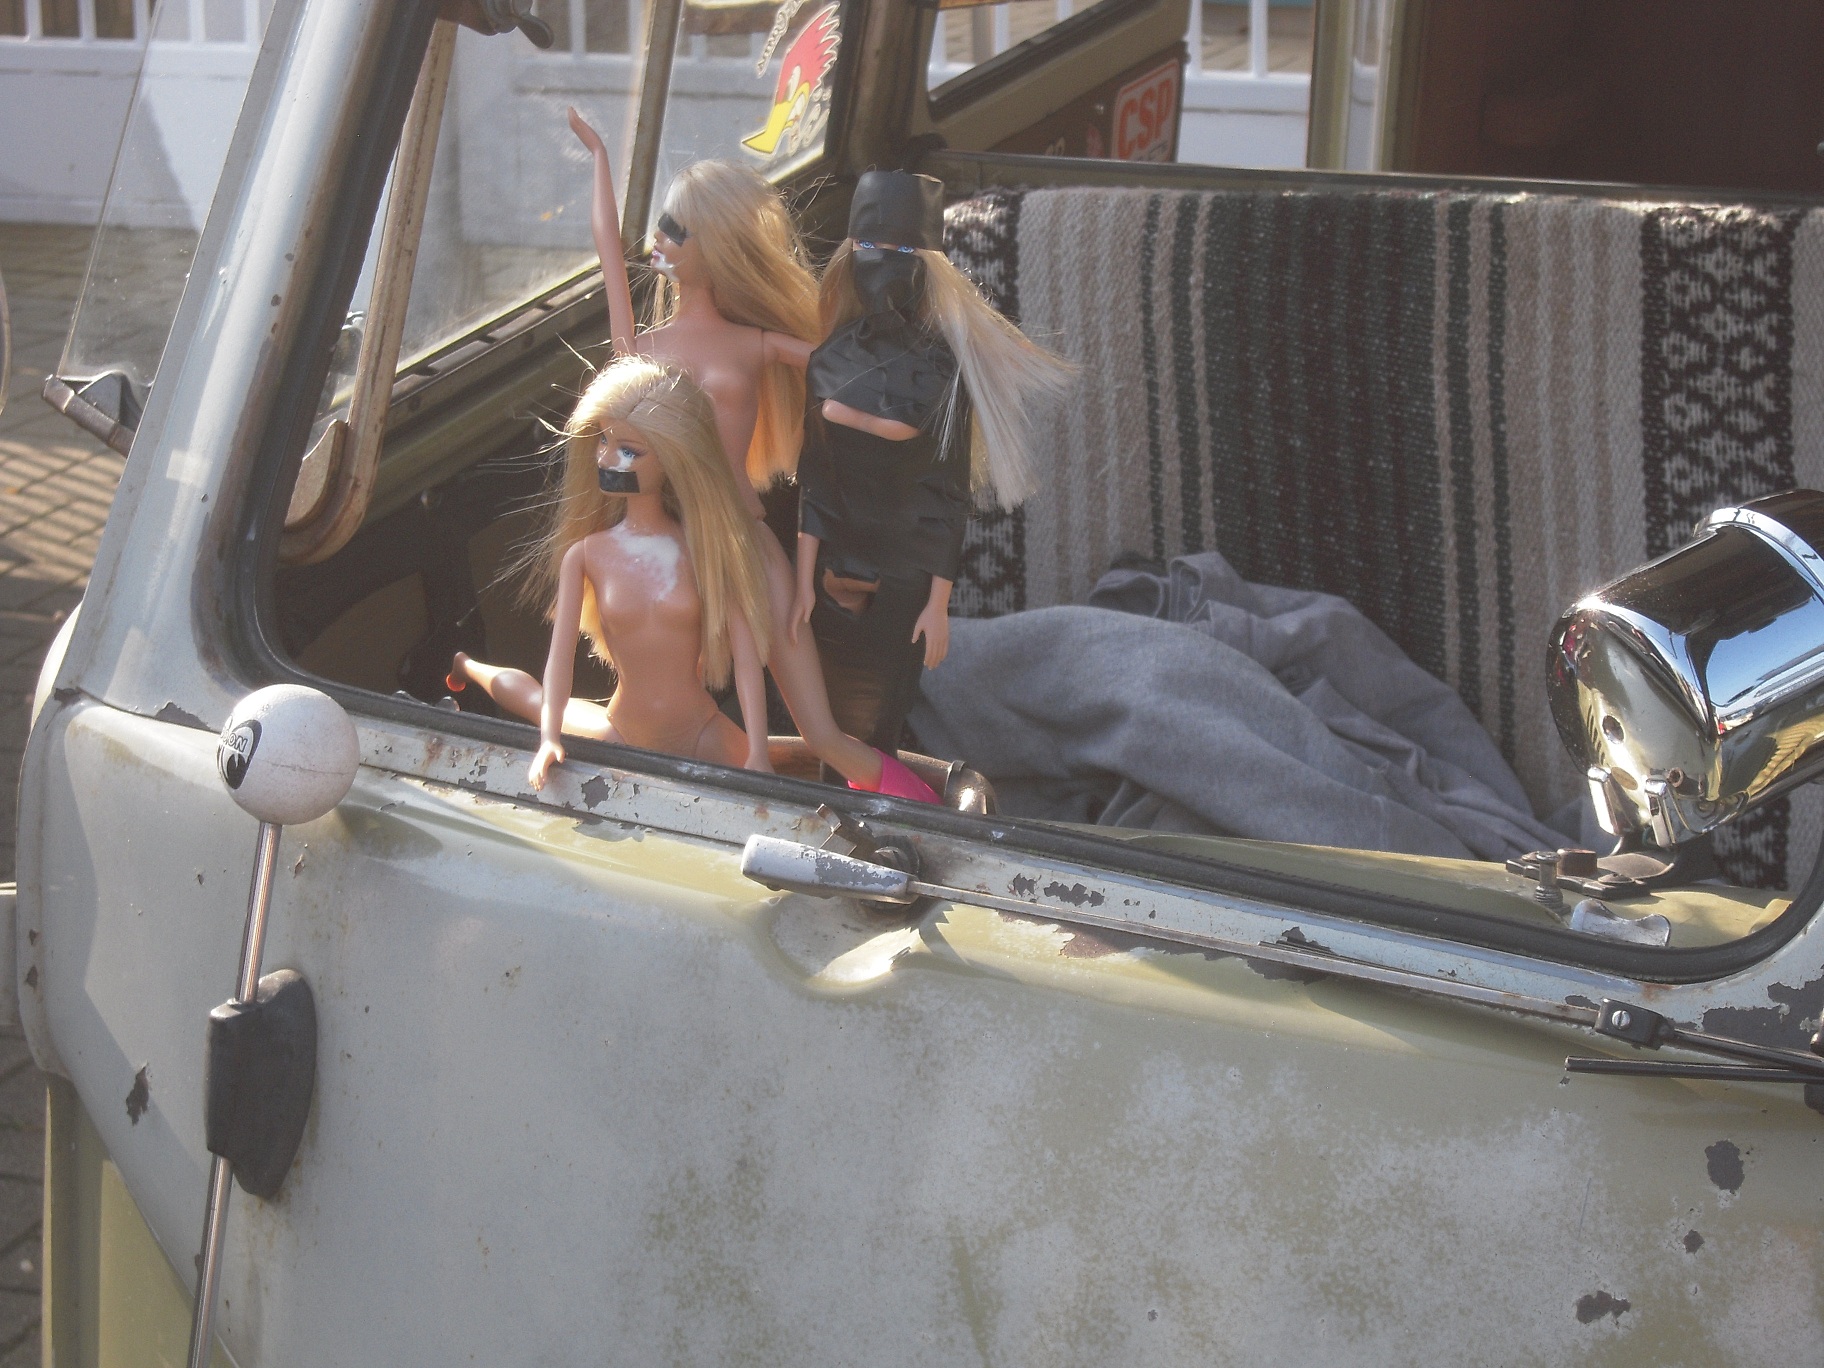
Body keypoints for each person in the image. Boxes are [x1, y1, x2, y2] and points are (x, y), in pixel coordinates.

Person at [456, 108, 937, 800]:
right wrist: (599, 159)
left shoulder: (756, 344)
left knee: (822, 730)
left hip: (745, 541)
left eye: (675, 231)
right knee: (654, 707)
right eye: (661, 227)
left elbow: (847, 370)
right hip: (679, 545)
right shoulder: (641, 354)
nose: (658, 242)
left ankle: (927, 816)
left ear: (716, 248)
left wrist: (908, 355)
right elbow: (608, 250)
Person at [792, 169, 1072, 752]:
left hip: (902, 578)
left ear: (927, 265)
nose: (881, 262)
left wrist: (938, 605)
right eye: (869, 245)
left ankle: (877, 784)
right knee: (824, 720)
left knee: (878, 719)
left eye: (901, 251)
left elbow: (947, 497)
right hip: (830, 572)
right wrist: (800, 585)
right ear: (849, 252)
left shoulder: (941, 372)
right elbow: (814, 481)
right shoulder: (829, 358)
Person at [485, 356, 774, 791]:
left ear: (673, 459)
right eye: (603, 440)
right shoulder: (587, 555)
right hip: (621, 732)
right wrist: (548, 739)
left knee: (779, 799)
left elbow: (747, 659)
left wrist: (759, 753)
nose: (605, 458)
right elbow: (560, 658)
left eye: (628, 450)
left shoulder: (703, 552)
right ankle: (465, 664)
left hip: (701, 730)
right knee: (533, 700)